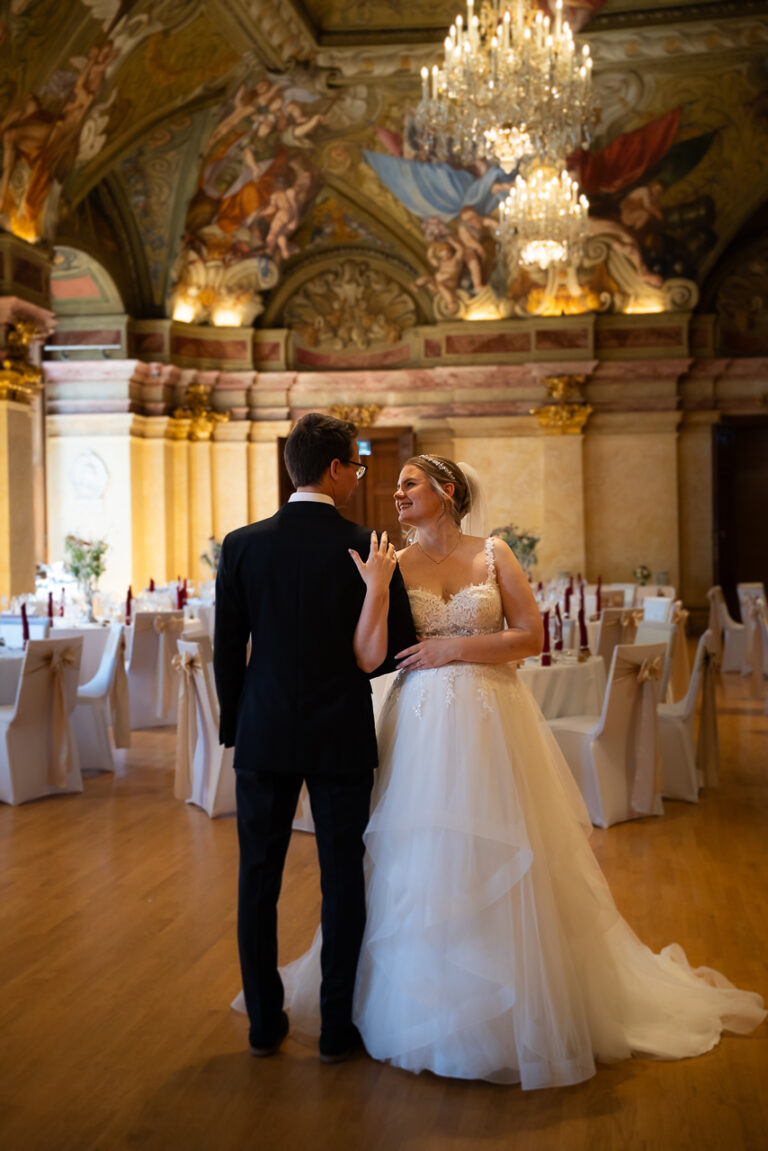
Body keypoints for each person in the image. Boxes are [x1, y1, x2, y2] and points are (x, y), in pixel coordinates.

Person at [282, 453, 766, 1088]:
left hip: (491, 723)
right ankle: (416, 1008)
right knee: (418, 862)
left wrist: (455, 648)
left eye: (408, 484)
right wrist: (374, 591)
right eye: (397, 485)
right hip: (420, 727)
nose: (395, 494)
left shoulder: (494, 553)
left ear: (446, 491)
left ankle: (519, 1011)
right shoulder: (391, 564)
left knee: (503, 856)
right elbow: (370, 655)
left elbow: (530, 635)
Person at [214, 412, 415, 1064]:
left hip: (264, 730)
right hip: (340, 732)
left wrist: (232, 726)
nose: (359, 476)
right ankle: (335, 1027)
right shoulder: (369, 544)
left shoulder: (242, 544)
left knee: (256, 880)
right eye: (355, 465)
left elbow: (227, 650)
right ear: (334, 468)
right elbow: (390, 654)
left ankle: (263, 1023)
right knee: (342, 879)